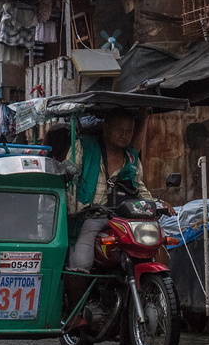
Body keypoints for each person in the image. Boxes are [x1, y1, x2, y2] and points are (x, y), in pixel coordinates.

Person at [66, 110, 155, 275]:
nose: (124, 135)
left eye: (129, 131)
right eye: (119, 130)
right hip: (91, 216)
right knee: (81, 261)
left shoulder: (131, 158)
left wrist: (154, 205)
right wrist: (76, 207)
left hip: (124, 219)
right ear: (106, 128)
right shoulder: (84, 146)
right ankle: (77, 299)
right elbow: (67, 180)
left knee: (154, 246)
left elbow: (138, 186)